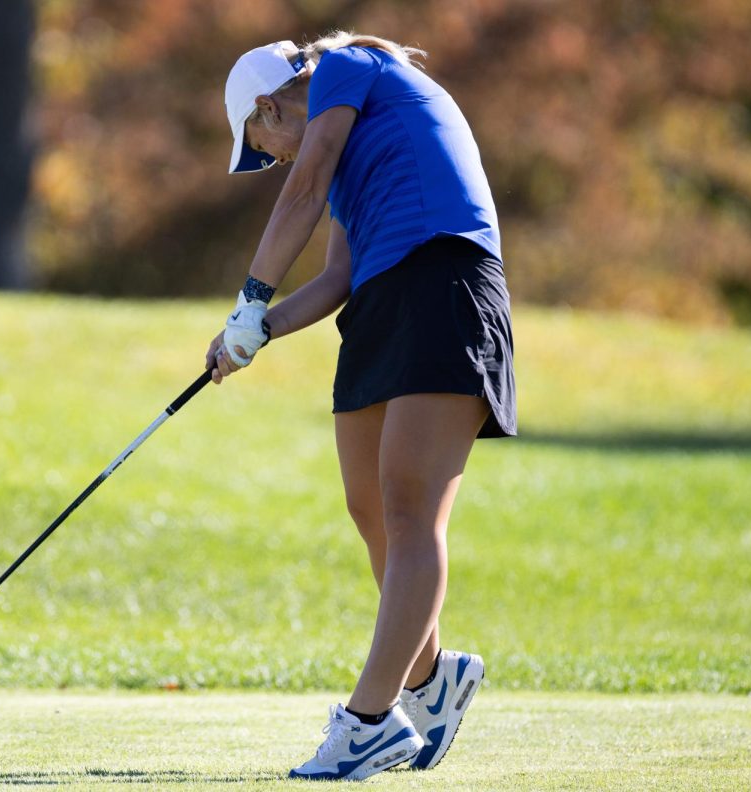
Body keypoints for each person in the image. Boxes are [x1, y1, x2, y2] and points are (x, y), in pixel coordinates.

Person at [207, 31, 516, 781]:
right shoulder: (348, 162)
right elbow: (337, 275)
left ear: (270, 104)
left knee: (411, 511)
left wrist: (249, 296)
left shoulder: (350, 67)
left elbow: (303, 185)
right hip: (380, 300)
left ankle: (369, 722)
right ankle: (430, 678)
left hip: (443, 278)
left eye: (262, 140)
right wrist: (254, 333)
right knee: (369, 507)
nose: (273, 156)